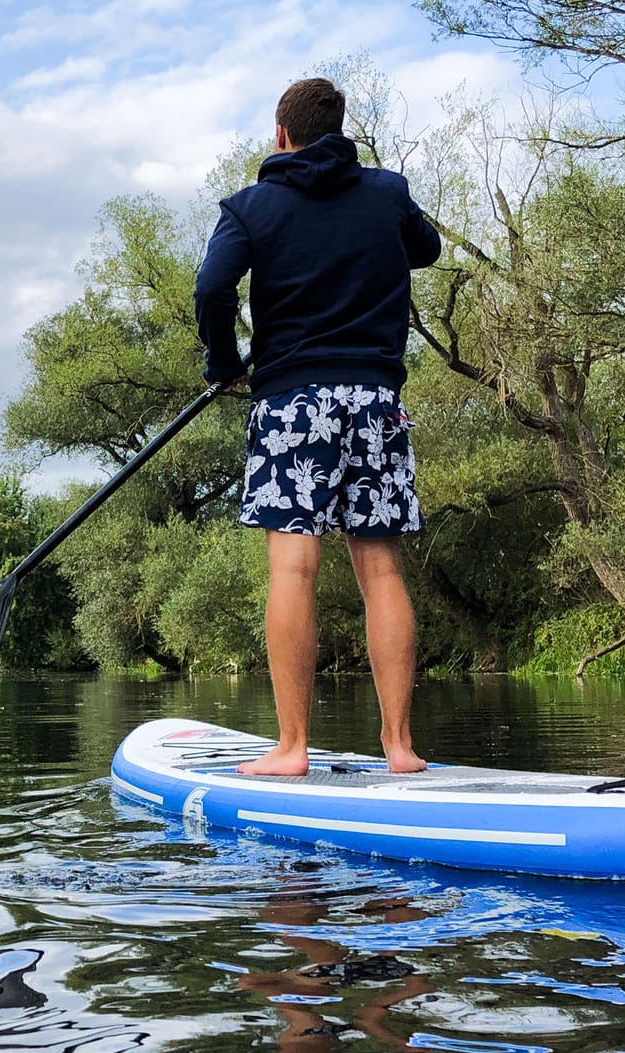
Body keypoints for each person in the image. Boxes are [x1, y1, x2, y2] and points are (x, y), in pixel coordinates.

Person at [194, 77, 441, 776]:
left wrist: (223, 363)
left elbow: (212, 289)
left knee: (293, 566)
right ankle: (399, 746)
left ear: (280, 135)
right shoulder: (387, 195)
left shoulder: (249, 208)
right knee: (381, 566)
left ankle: (292, 747)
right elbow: (425, 250)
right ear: (338, 131)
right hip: (376, 402)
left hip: (292, 405)